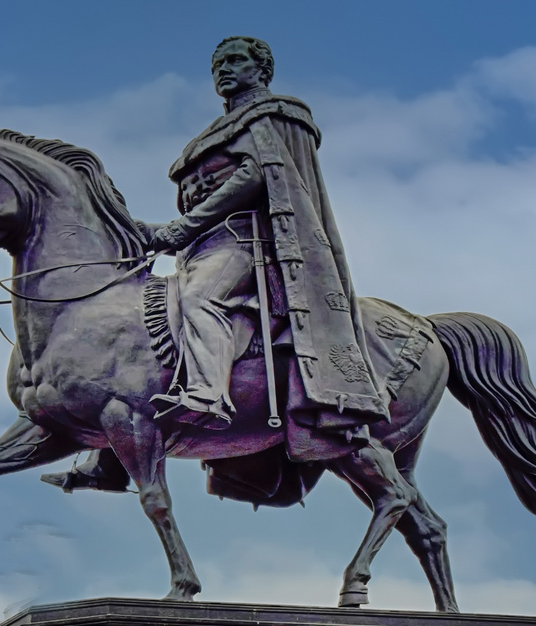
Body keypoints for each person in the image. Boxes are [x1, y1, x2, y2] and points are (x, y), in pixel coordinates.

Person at [143, 36, 385, 433]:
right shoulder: (217, 129)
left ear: (262, 70)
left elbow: (253, 176)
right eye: (218, 64)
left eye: (235, 61)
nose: (224, 69)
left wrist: (181, 228)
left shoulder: (274, 113)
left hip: (246, 241)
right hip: (200, 244)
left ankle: (207, 395)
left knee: (200, 298)